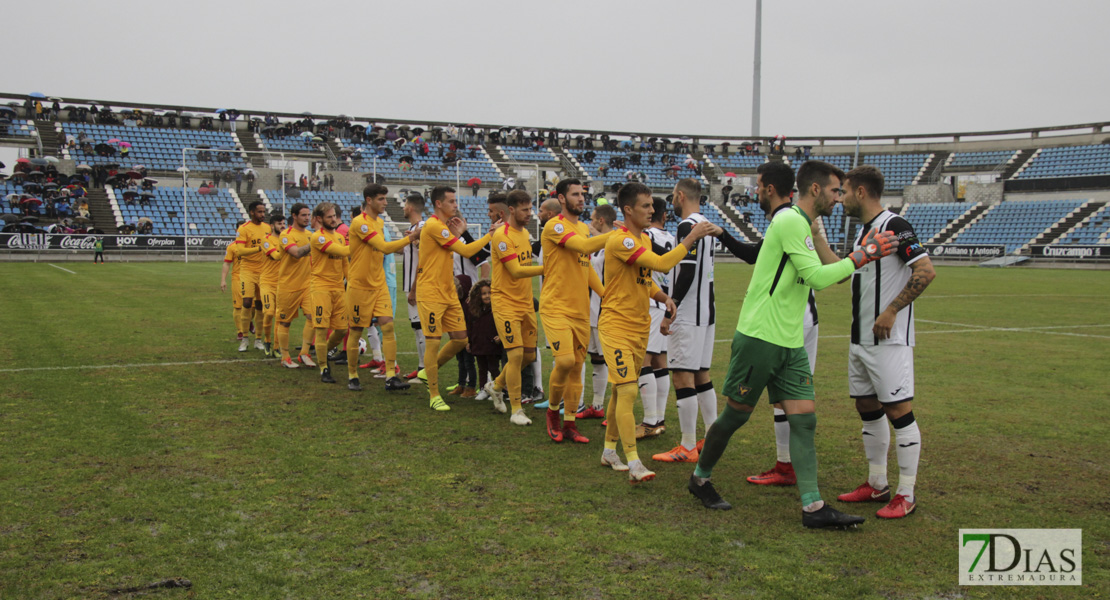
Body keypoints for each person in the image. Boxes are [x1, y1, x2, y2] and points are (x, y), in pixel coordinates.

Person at [686, 160, 898, 530]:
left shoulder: (800, 224)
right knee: (736, 415)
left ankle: (813, 507)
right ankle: (700, 479)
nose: (839, 198)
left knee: (804, 420)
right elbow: (816, 276)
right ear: (815, 190)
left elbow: (820, 271)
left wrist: (852, 255)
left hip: (789, 341)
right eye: (835, 190)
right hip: (760, 337)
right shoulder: (788, 221)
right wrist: (864, 255)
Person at [835, 165, 936, 520]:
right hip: (860, 339)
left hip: (888, 341)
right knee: (866, 406)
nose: (841, 198)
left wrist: (892, 310)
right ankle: (877, 483)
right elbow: (840, 273)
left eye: (844, 191)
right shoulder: (864, 232)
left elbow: (925, 271)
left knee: (898, 410)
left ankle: (906, 493)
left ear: (861, 192)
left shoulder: (894, 225)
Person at [599, 183, 715, 483]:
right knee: (627, 390)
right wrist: (691, 237)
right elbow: (664, 264)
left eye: (652, 206)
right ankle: (634, 462)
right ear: (628, 210)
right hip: (616, 327)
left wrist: (662, 297)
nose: (652, 210)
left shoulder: (643, 242)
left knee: (618, 392)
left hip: (638, 328)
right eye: (646, 206)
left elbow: (645, 278)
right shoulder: (621, 241)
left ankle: (609, 450)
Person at [743, 162, 831, 487]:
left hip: (793, 320)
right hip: (805, 317)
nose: (755, 191)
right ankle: (789, 467)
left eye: (758, 185)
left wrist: (855, 260)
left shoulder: (788, 220)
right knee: (793, 397)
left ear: (769, 188)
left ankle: (788, 467)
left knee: (783, 396)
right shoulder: (795, 220)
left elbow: (818, 273)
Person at [539, 178, 612, 444]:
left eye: (583, 194)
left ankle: (570, 423)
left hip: (580, 309)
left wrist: (606, 295)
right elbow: (582, 247)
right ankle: (552, 414)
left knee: (577, 367)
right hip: (556, 307)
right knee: (565, 362)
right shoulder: (555, 225)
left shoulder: (583, 227)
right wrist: (615, 234)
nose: (581, 198)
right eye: (575, 194)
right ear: (561, 198)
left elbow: (586, 266)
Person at [653, 179, 721, 464]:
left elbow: (688, 272)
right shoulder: (708, 223)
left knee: (682, 375)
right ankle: (714, 438)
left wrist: (672, 308)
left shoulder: (687, 226)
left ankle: (687, 446)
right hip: (707, 312)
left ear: (680, 196)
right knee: (702, 375)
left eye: (673, 196)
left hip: (690, 312)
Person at [415, 186, 495, 411]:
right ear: (438, 204)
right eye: (451, 201)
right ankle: (433, 395)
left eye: (456, 201)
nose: (456, 205)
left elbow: (449, 247)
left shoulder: (441, 228)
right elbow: (468, 251)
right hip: (431, 293)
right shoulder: (432, 225)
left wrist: (459, 233)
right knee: (433, 342)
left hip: (448, 291)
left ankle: (427, 371)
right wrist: (490, 234)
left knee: (460, 339)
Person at [344, 184, 418, 391]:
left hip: (379, 284)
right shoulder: (360, 223)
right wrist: (411, 237)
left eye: (385, 198)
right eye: (381, 199)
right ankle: (352, 375)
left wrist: (408, 242)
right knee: (356, 330)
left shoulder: (379, 222)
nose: (385, 202)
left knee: (388, 326)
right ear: (369, 200)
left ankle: (391, 376)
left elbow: (386, 247)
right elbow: (385, 248)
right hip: (359, 287)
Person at [483, 190, 546, 425]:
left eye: (530, 209)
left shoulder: (526, 233)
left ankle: (496, 385)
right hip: (505, 303)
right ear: (511, 210)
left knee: (529, 355)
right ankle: (516, 410)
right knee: (516, 354)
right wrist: (546, 269)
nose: (529, 214)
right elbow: (517, 271)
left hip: (525, 303)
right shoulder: (501, 235)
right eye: (524, 210)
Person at [636, 197, 677, 438]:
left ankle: (650, 421)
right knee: (660, 361)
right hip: (665, 302)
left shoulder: (646, 238)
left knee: (643, 360)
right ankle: (659, 419)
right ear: (665, 216)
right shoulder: (671, 238)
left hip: (652, 303)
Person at [578, 203, 617, 421]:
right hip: (592, 309)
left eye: (593, 218)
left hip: (607, 310)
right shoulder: (597, 244)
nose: (590, 221)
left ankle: (613, 409)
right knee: (596, 358)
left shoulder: (615, 241)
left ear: (600, 220)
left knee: (611, 359)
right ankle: (598, 405)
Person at [306, 202, 353, 383]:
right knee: (321, 329)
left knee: (341, 330)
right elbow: (340, 251)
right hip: (320, 289)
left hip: (338, 289)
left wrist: (352, 283)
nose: (334, 220)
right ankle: (324, 368)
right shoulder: (317, 237)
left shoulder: (340, 237)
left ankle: (323, 352)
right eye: (329, 217)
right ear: (319, 219)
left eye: (334, 216)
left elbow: (344, 263)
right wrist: (363, 245)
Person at [274, 204, 317, 369]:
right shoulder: (286, 235)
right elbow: (297, 253)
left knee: (313, 318)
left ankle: (304, 353)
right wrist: (314, 242)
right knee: (285, 323)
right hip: (288, 285)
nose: (307, 218)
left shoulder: (309, 234)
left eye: (308, 215)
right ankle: (285, 357)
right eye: (303, 215)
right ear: (294, 216)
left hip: (307, 284)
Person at [233, 203, 271, 352]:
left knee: (261, 304)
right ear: (252, 212)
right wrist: (258, 248)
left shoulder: (267, 228)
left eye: (263, 212)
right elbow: (240, 251)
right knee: (247, 302)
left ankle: (258, 339)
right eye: (259, 212)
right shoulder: (243, 229)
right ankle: (244, 339)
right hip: (248, 270)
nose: (262, 214)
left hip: (264, 270)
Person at [402, 193, 427, 380]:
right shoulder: (413, 229)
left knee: (422, 330)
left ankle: (424, 370)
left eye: (404, 205)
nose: (403, 208)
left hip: (418, 286)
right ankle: (420, 369)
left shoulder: (422, 228)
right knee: (417, 329)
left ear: (410, 207)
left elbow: (424, 260)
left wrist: (414, 289)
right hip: (411, 285)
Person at [258, 212, 287, 357]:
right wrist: (288, 248)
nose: (282, 226)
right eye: (279, 223)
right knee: (269, 312)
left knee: (279, 315)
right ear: (272, 225)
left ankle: (276, 347)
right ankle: (267, 340)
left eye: (283, 223)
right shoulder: (266, 240)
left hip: (282, 283)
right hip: (267, 282)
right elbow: (275, 256)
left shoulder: (287, 239)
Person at [467, 278, 502, 395]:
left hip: (492, 345)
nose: (487, 296)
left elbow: (502, 324)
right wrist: (469, 341)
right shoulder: (475, 310)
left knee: (494, 368)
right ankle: (483, 389)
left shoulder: (497, 309)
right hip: (479, 344)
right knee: (482, 368)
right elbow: (470, 327)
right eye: (484, 294)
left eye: (489, 293)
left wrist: (500, 336)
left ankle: (497, 389)